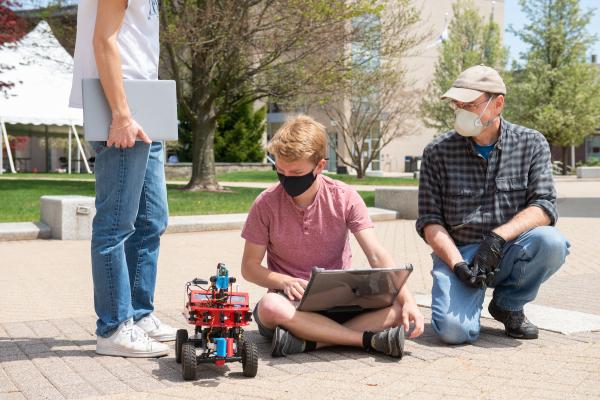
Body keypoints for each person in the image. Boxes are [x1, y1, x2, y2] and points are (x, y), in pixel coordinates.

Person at [241, 115, 424, 358]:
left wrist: (409, 301)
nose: (286, 179)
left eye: (295, 172)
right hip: (289, 304)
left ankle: (308, 342)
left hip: (339, 303)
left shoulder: (345, 197)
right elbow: (249, 267)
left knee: (400, 307)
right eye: (280, 170)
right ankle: (365, 340)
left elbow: (376, 254)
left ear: (319, 166)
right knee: (269, 306)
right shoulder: (265, 203)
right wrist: (284, 282)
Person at [416, 65, 570, 344]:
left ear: (497, 103)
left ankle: (508, 306)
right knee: (453, 332)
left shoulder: (531, 143)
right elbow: (430, 221)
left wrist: (498, 238)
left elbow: (544, 206)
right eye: (457, 104)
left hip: (509, 248)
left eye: (470, 105)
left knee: (552, 242)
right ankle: (466, 298)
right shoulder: (437, 152)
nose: (460, 111)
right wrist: (457, 264)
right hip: (460, 253)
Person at [69, 0, 175, 357]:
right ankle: (114, 328)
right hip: (123, 108)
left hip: (146, 103)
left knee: (151, 220)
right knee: (116, 223)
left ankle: (139, 314)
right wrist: (121, 113)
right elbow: (103, 41)